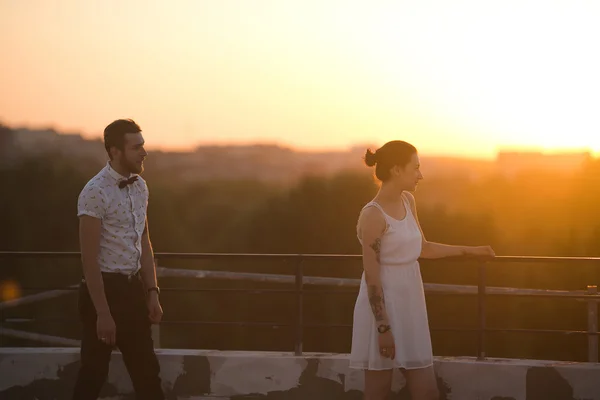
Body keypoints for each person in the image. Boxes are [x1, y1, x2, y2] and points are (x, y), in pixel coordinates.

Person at [349, 140, 495, 400]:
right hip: (382, 310)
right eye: (415, 168)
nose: (421, 174)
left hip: (410, 304)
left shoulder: (407, 200)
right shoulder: (373, 215)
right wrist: (383, 329)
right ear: (396, 170)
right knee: (378, 392)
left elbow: (423, 248)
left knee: (427, 391)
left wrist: (471, 250)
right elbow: (372, 277)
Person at [72, 118, 164, 399]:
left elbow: (144, 244)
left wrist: (152, 292)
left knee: (148, 375)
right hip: (103, 293)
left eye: (143, 145)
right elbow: (89, 260)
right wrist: (103, 313)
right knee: (93, 375)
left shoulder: (140, 187)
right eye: (136, 147)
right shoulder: (94, 192)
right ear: (114, 151)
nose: (144, 152)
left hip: (133, 292)